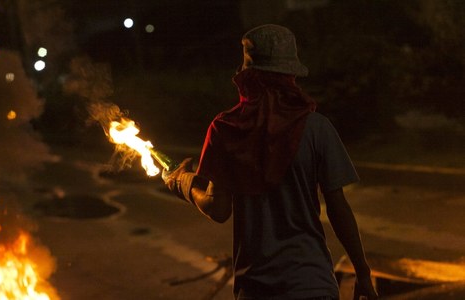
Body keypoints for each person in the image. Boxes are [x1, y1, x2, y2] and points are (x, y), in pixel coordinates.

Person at [162, 24, 379, 300]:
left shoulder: (225, 128)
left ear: (247, 74)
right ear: (291, 74)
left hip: (256, 288)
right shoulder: (316, 128)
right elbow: (339, 209)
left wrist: (183, 182)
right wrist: (362, 272)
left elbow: (217, 209)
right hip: (312, 283)